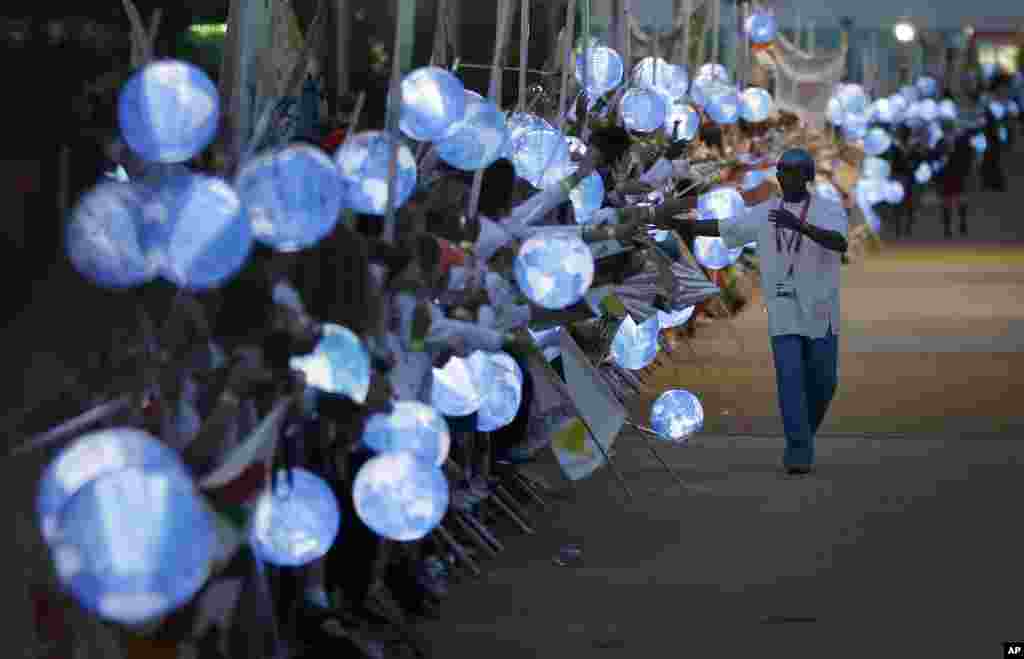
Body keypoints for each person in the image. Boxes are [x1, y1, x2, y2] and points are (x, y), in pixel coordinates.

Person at [671, 148, 848, 476]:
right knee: (790, 379)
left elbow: (839, 243)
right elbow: (727, 227)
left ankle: (803, 433)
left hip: (821, 310)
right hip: (783, 310)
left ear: (807, 176)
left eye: (791, 171)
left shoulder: (829, 209)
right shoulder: (766, 211)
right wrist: (686, 227)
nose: (783, 177)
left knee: (825, 382)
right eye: (781, 170)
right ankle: (799, 449)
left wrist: (799, 226)